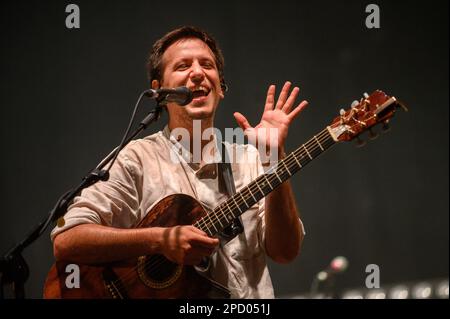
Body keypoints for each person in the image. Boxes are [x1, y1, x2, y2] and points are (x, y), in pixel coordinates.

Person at [51, 26, 307, 298]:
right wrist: (160, 241)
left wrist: (274, 159)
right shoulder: (136, 159)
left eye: (207, 65)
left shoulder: (254, 159)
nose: (198, 73)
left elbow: (284, 252)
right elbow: (67, 239)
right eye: (183, 66)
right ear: (160, 91)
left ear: (221, 87)